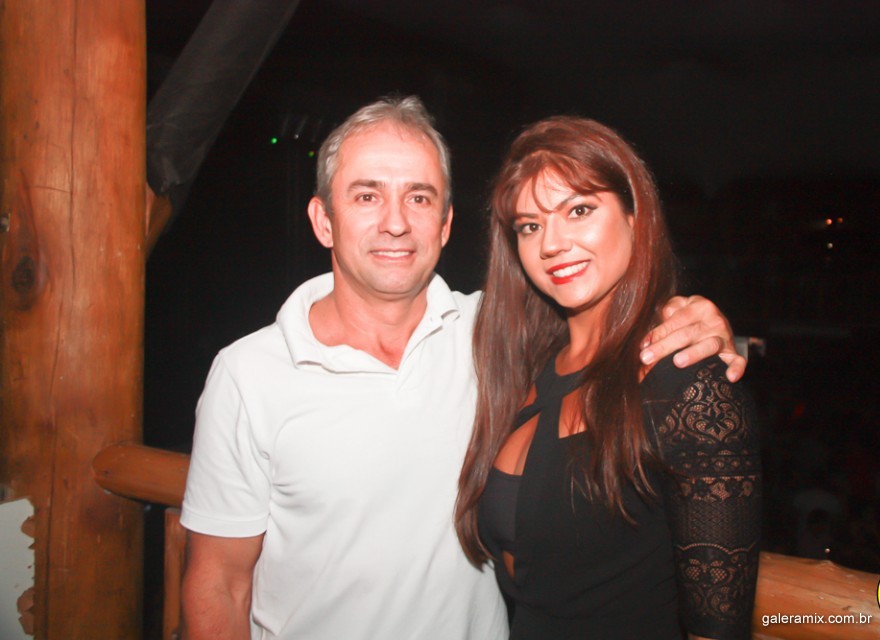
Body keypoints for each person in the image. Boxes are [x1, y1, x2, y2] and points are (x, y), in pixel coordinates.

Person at [179, 96, 747, 639]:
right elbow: (218, 584)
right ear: (323, 220)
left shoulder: (493, 338)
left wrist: (697, 320)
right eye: (367, 196)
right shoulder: (248, 375)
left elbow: (616, 346)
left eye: (419, 198)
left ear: (446, 224)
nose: (396, 222)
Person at [455, 116, 761, 639]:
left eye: (578, 210)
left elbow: (718, 629)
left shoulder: (686, 383)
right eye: (530, 226)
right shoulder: (525, 365)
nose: (551, 244)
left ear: (635, 218)